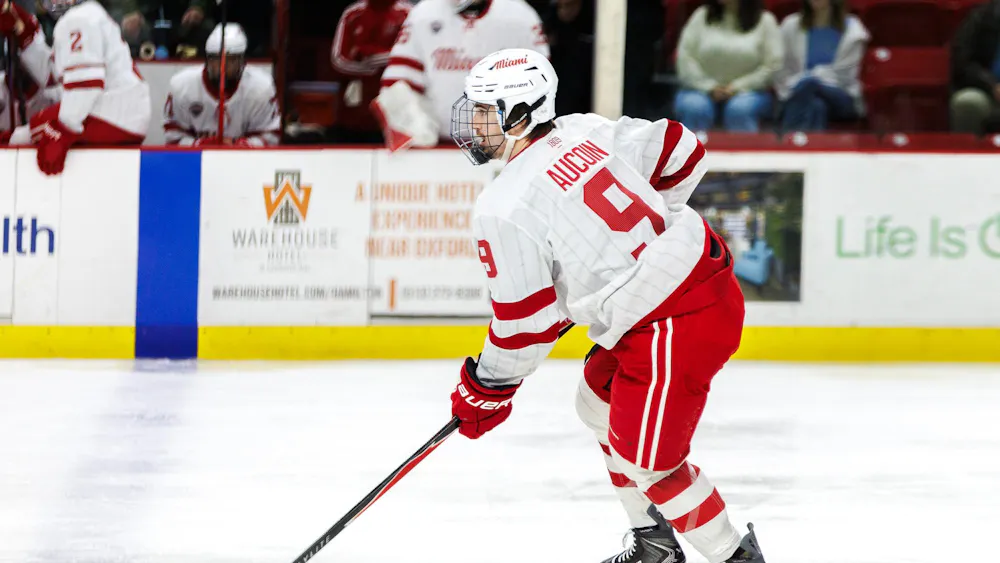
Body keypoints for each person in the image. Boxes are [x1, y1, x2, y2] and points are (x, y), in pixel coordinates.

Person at [448, 47, 766, 563]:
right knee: (595, 403)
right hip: (689, 289)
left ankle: (735, 557)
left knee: (650, 460)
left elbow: (524, 326)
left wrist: (485, 389)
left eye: (486, 111)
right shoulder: (580, 130)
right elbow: (681, 149)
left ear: (520, 115)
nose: (474, 123)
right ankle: (655, 544)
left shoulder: (501, 207)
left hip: (675, 317)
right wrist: (639, 244)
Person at [372, 0, 549, 151]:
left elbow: (540, 86)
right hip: (438, 151)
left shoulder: (520, 18)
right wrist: (414, 129)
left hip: (505, 151)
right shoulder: (423, 15)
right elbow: (397, 85)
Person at [0, 0, 151, 175]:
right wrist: (25, 33)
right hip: (122, 112)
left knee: (25, 136)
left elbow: (85, 86)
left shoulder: (77, 20)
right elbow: (53, 77)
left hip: (112, 114)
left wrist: (63, 130)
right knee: (32, 130)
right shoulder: (88, 14)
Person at [163, 23, 280, 147]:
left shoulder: (261, 88)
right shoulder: (182, 85)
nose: (222, 67)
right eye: (216, 59)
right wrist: (200, 144)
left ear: (242, 62)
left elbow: (271, 138)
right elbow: (173, 138)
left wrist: (240, 146)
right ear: (207, 59)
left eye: (231, 60)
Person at [674, 0, 782, 132]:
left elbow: (772, 65)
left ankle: (743, 152)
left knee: (739, 109)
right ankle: (693, 152)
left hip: (750, 92)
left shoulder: (765, 21)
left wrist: (737, 87)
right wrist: (709, 87)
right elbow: (685, 58)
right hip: (700, 89)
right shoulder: (701, 16)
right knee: (694, 107)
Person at [774, 0, 869, 132]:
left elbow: (845, 75)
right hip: (799, 92)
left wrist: (809, 78)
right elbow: (780, 66)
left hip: (842, 95)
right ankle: (806, 149)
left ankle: (786, 143)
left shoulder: (853, 29)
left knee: (810, 84)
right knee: (817, 106)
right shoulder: (790, 25)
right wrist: (803, 82)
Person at [330, 0, 411, 143]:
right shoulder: (353, 14)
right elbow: (338, 60)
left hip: (397, 116)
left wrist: (371, 57)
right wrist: (371, 69)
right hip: (354, 115)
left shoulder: (409, 14)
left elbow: (413, 57)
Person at [950, 0, 1000, 134]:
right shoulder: (983, 16)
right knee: (967, 102)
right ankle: (965, 152)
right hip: (988, 92)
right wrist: (992, 86)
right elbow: (962, 62)